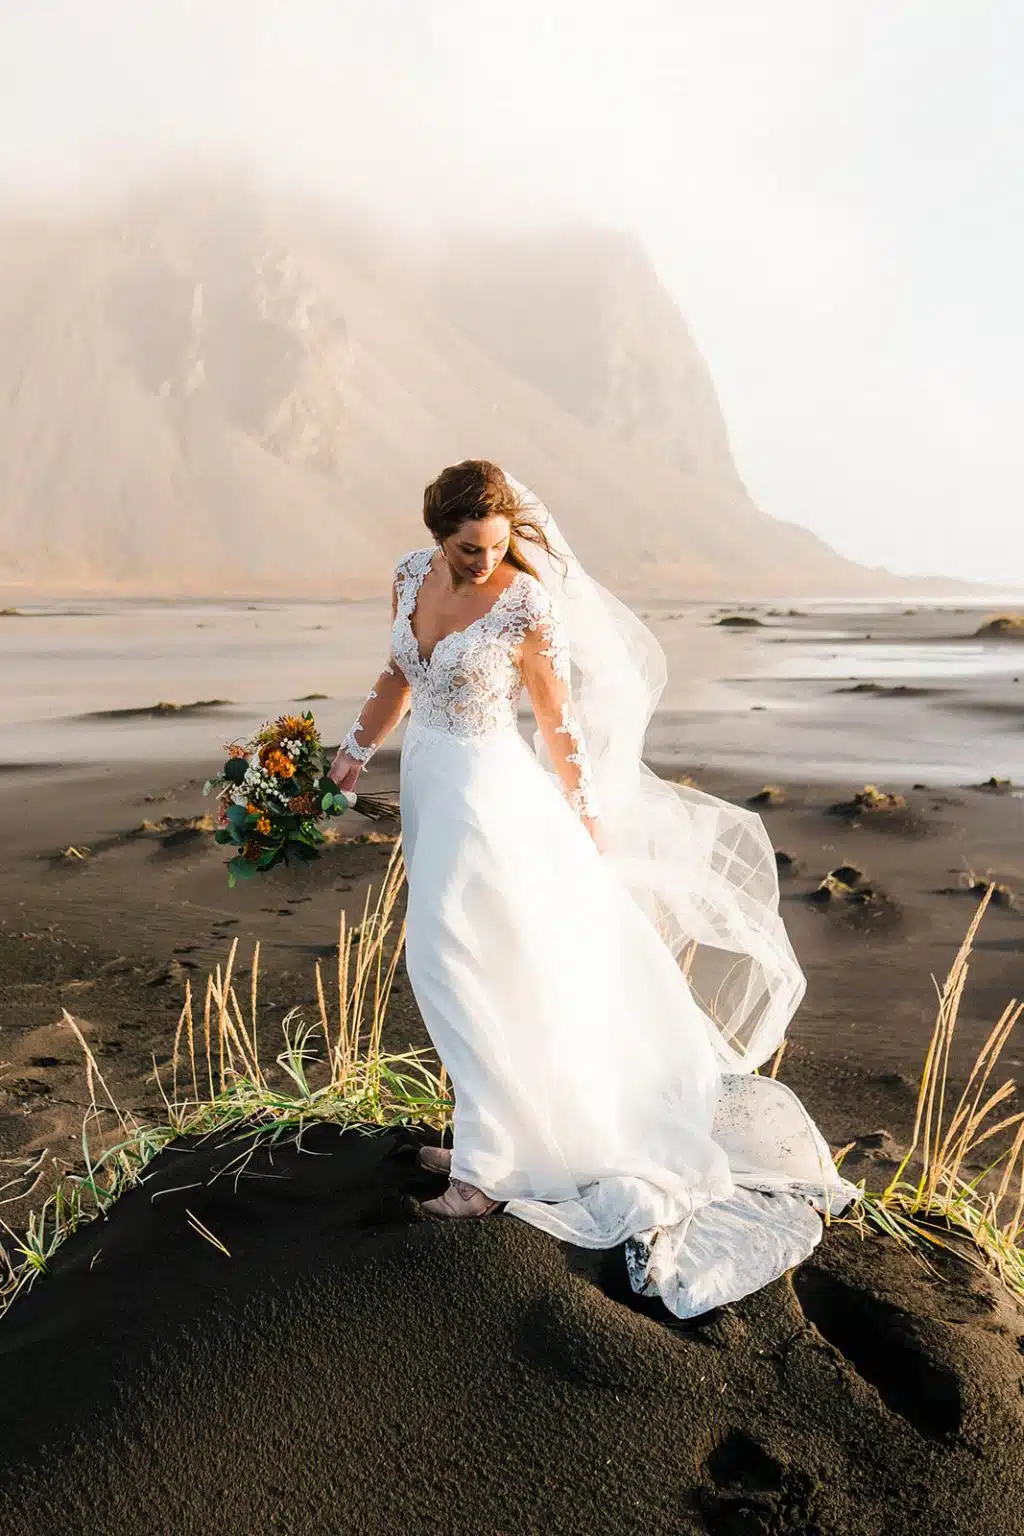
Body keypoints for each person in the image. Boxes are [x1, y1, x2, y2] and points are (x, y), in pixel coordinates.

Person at [329, 460, 856, 1320]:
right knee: (471, 965)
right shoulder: (408, 575)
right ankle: (489, 1130)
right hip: (431, 787)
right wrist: (353, 755)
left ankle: (483, 1178)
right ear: (438, 535)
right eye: (468, 548)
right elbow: (397, 676)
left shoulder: (527, 603)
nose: (480, 563)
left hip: (491, 798)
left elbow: (556, 717)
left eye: (496, 547)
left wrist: (584, 812)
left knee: (450, 959)